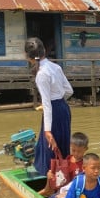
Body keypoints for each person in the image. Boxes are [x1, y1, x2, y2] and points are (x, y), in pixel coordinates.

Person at [25, 37, 74, 180]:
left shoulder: (41, 74)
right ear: (44, 51)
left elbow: (47, 104)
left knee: (49, 150)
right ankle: (64, 177)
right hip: (63, 109)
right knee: (62, 145)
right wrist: (58, 102)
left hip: (53, 112)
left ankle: (50, 185)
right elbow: (69, 91)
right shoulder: (55, 67)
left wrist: (47, 130)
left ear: (28, 57)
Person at [41, 131, 89, 198]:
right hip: (64, 186)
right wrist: (52, 174)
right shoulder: (68, 158)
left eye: (79, 151)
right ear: (70, 146)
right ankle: (47, 189)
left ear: (86, 149)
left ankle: (50, 193)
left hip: (74, 190)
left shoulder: (85, 164)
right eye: (74, 150)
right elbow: (62, 175)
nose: (76, 153)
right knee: (49, 173)